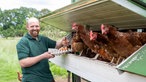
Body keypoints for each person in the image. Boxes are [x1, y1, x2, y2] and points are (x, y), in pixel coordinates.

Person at [16, 17, 69, 82]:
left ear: (39, 27)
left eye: (37, 26)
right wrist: (43, 56)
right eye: (32, 26)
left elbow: (56, 45)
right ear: (27, 27)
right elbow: (23, 63)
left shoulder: (43, 39)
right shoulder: (23, 42)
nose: (35, 28)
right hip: (32, 79)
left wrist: (62, 42)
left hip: (47, 77)